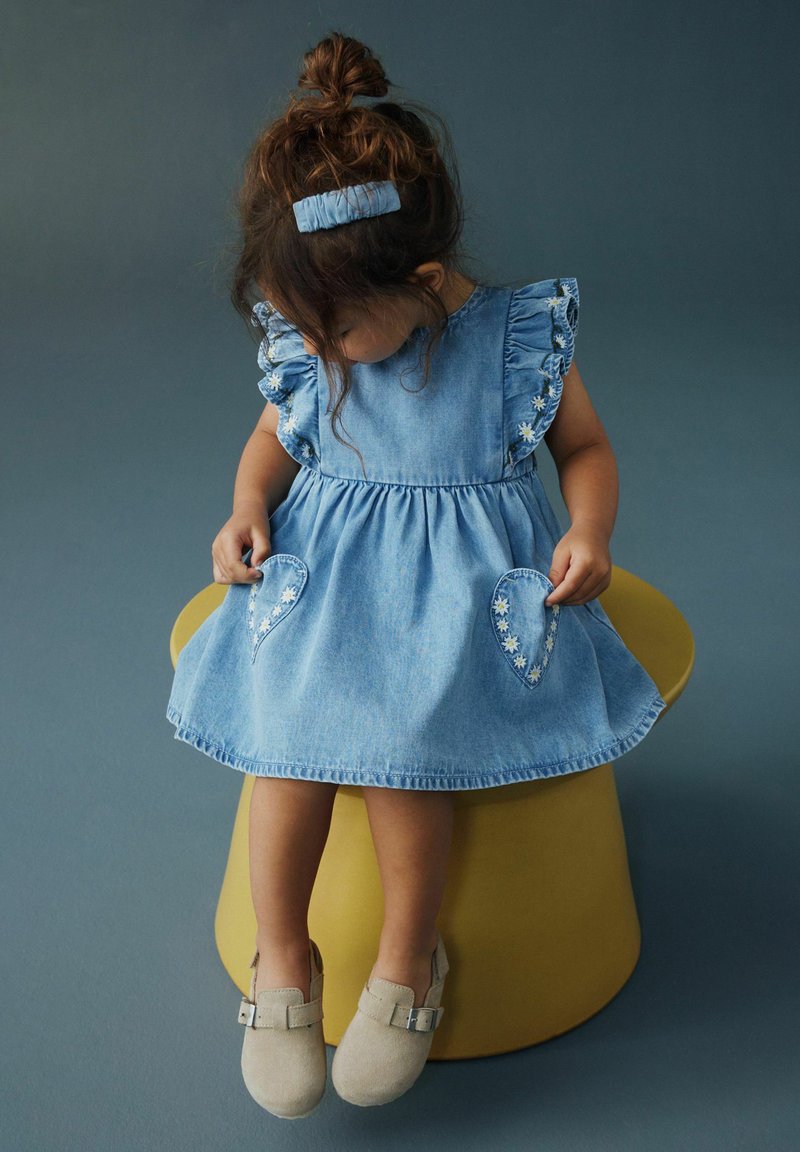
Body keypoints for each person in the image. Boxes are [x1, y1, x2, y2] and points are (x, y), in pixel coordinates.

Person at [165, 30, 667, 1118]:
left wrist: (589, 530)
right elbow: (272, 439)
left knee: (406, 755)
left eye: (341, 329)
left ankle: (406, 963)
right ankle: (283, 958)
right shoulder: (315, 331)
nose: (321, 349)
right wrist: (246, 505)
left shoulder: (512, 341)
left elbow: (584, 448)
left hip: (455, 602)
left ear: (424, 278)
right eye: (306, 329)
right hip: (326, 586)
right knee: (287, 751)